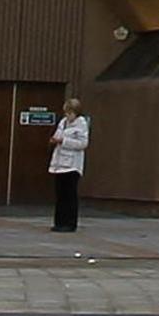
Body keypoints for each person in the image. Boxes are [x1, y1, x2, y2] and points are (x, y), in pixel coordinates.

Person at [47, 97, 90, 233]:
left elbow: (82, 144)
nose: (67, 115)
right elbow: (57, 135)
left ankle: (70, 223)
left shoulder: (81, 124)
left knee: (69, 195)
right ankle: (59, 222)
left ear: (76, 113)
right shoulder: (63, 123)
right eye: (66, 112)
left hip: (72, 165)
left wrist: (64, 141)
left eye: (70, 113)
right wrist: (54, 140)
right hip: (59, 163)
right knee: (60, 195)